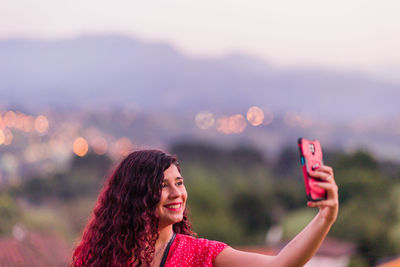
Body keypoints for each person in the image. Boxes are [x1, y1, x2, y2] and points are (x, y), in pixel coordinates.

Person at [71, 149, 338, 267]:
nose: (177, 193)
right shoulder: (101, 258)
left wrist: (324, 218)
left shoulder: (201, 254)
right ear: (135, 196)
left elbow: (281, 265)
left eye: (179, 182)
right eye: (163, 185)